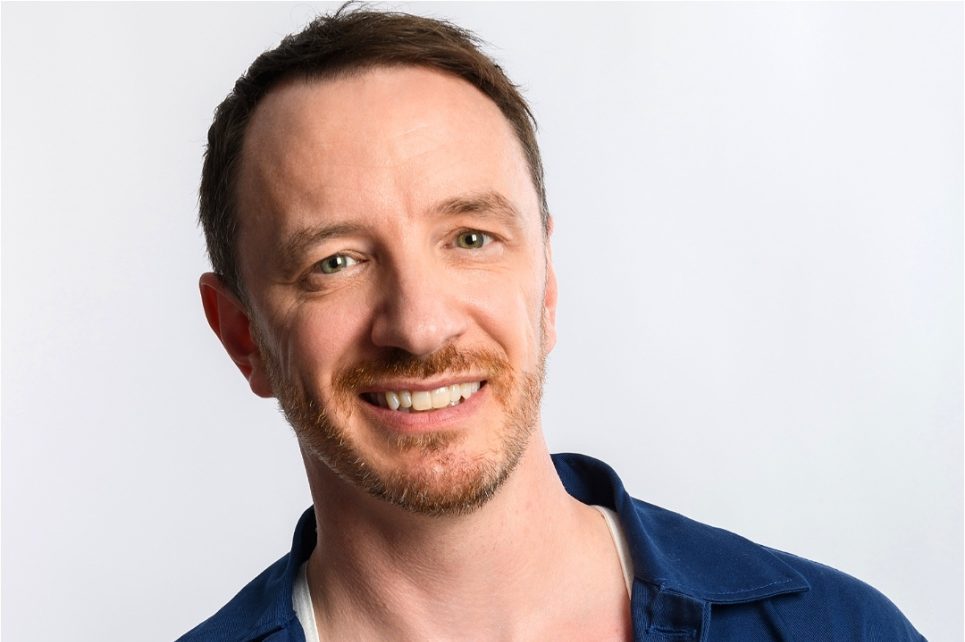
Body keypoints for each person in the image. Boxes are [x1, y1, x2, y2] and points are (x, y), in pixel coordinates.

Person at [180, 7, 925, 641]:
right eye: (336, 262)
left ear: (546, 285)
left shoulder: (835, 629)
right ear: (243, 337)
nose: (421, 325)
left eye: (471, 238)